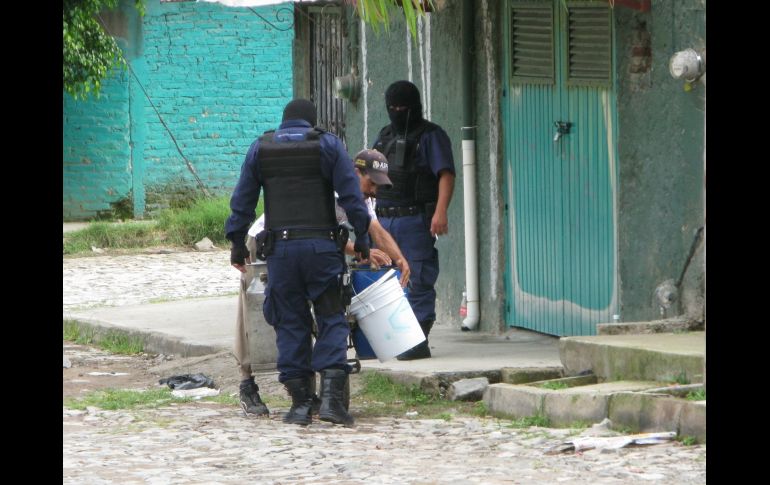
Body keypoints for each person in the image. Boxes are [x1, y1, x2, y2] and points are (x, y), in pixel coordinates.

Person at [230, 148, 410, 418]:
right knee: (260, 309)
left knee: (327, 307)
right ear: (354, 173)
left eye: (378, 186)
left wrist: (399, 259)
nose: (373, 191)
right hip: (269, 240)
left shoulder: (363, 197)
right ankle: (247, 382)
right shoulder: (330, 186)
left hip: (315, 249)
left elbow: (374, 229)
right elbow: (323, 228)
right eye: (371, 182)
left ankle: (317, 392)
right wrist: (359, 250)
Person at [225, 98, 371, 427]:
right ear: (312, 121)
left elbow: (243, 200)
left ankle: (301, 404)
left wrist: (236, 243)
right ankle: (332, 403)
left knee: (290, 322)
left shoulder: (260, 149)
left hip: (282, 252)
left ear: (283, 122)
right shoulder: (328, 145)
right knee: (332, 317)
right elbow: (351, 196)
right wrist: (362, 237)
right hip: (322, 250)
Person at [372, 80, 456, 360]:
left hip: (415, 219)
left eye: (402, 108)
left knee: (417, 278)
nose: (396, 112)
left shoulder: (431, 135)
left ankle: (417, 341)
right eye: (392, 107)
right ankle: (393, 337)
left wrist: (440, 212)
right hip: (383, 219)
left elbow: (446, 174)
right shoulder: (384, 136)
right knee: (386, 280)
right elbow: (367, 173)